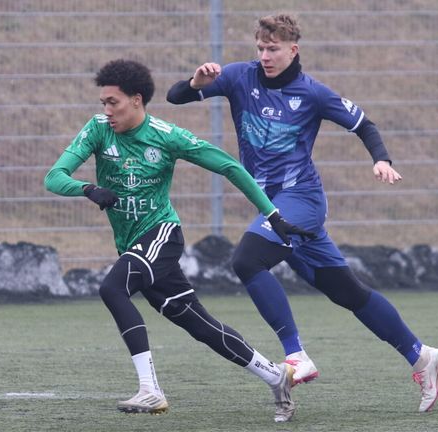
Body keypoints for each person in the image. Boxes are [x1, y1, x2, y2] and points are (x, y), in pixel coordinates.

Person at [166, 13, 438, 413]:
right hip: (272, 205)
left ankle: (295, 355)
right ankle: (423, 357)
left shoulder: (312, 93)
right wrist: (196, 83)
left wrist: (381, 159)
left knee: (246, 260)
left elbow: (365, 124)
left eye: (274, 48)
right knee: (349, 292)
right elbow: (175, 97)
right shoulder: (237, 77)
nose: (265, 55)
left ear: (293, 49)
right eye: (261, 47)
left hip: (302, 202)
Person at [45, 59, 317, 422]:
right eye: (103, 103)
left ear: (137, 100)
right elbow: (54, 177)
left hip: (161, 236)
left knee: (113, 288)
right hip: (132, 244)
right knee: (199, 324)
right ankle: (275, 375)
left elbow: (229, 167)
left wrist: (272, 214)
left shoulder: (166, 136)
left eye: (114, 102)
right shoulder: (98, 130)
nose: (106, 110)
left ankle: (150, 390)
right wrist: (88, 189)